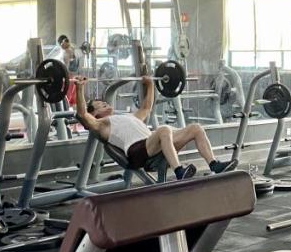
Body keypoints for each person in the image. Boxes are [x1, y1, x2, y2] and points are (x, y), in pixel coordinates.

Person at [73, 74, 237, 181]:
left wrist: (150, 85)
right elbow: (82, 115)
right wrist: (80, 88)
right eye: (100, 105)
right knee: (164, 130)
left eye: (103, 102)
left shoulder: (127, 117)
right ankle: (179, 171)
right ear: (94, 114)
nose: (105, 103)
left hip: (152, 144)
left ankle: (214, 165)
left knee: (196, 128)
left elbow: (146, 108)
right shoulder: (102, 125)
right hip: (138, 152)